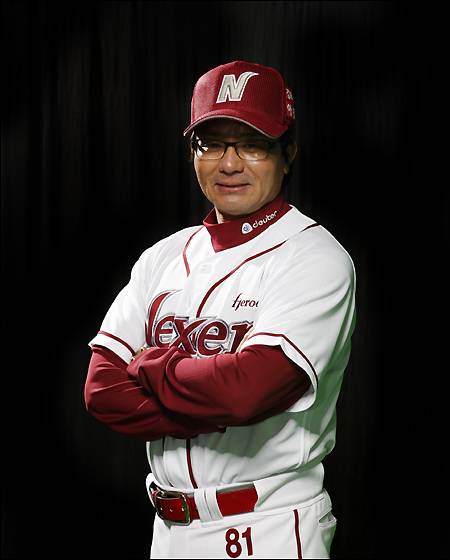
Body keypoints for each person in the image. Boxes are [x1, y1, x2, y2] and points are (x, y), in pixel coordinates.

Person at [84, 60, 356, 559]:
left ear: (288, 153)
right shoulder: (162, 257)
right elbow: (102, 391)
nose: (229, 164)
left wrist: (149, 365)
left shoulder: (315, 257)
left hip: (267, 529)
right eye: (210, 144)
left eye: (252, 144)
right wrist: (210, 402)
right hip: (169, 532)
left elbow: (248, 390)